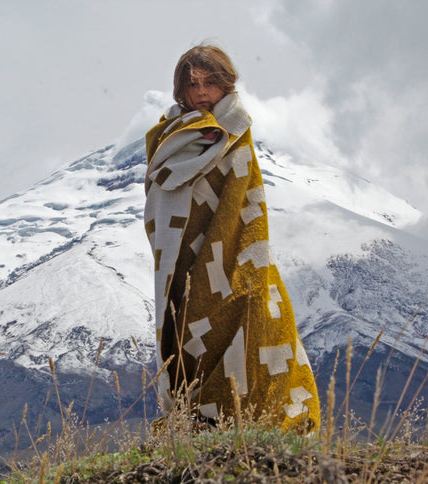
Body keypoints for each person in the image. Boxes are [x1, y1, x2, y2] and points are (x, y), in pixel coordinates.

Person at [144, 44, 320, 432]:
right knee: (188, 333)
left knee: (256, 319)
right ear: (180, 90)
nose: (202, 92)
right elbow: (161, 205)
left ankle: (255, 419)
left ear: (227, 84)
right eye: (193, 84)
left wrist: (240, 258)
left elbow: (247, 202)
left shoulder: (236, 132)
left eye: (211, 82)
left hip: (237, 255)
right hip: (182, 262)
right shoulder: (163, 139)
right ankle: (197, 423)